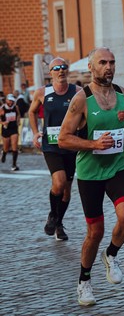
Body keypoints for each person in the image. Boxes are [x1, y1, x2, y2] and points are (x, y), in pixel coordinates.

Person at [57, 47, 124, 306]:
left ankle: (112, 254)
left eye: (112, 62)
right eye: (102, 62)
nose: (108, 66)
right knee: (95, 232)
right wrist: (93, 145)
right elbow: (63, 138)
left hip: (117, 167)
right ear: (91, 68)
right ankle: (84, 281)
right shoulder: (81, 99)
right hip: (90, 173)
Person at [29, 58, 82, 241]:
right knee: (58, 182)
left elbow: (86, 114)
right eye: (56, 68)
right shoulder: (42, 93)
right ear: (50, 72)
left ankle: (58, 223)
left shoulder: (77, 92)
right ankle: (53, 215)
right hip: (51, 145)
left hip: (71, 145)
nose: (60, 71)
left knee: (67, 190)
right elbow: (32, 111)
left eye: (63, 67)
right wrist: (36, 132)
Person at [1, 94, 20, 171]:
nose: (11, 102)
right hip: (6, 129)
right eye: (9, 100)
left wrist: (18, 121)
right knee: (6, 147)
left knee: (14, 146)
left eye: (12, 100)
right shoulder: (2, 109)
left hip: (14, 128)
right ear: (6, 100)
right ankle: (4, 153)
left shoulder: (16, 107)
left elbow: (18, 115)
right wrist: (3, 123)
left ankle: (14, 164)